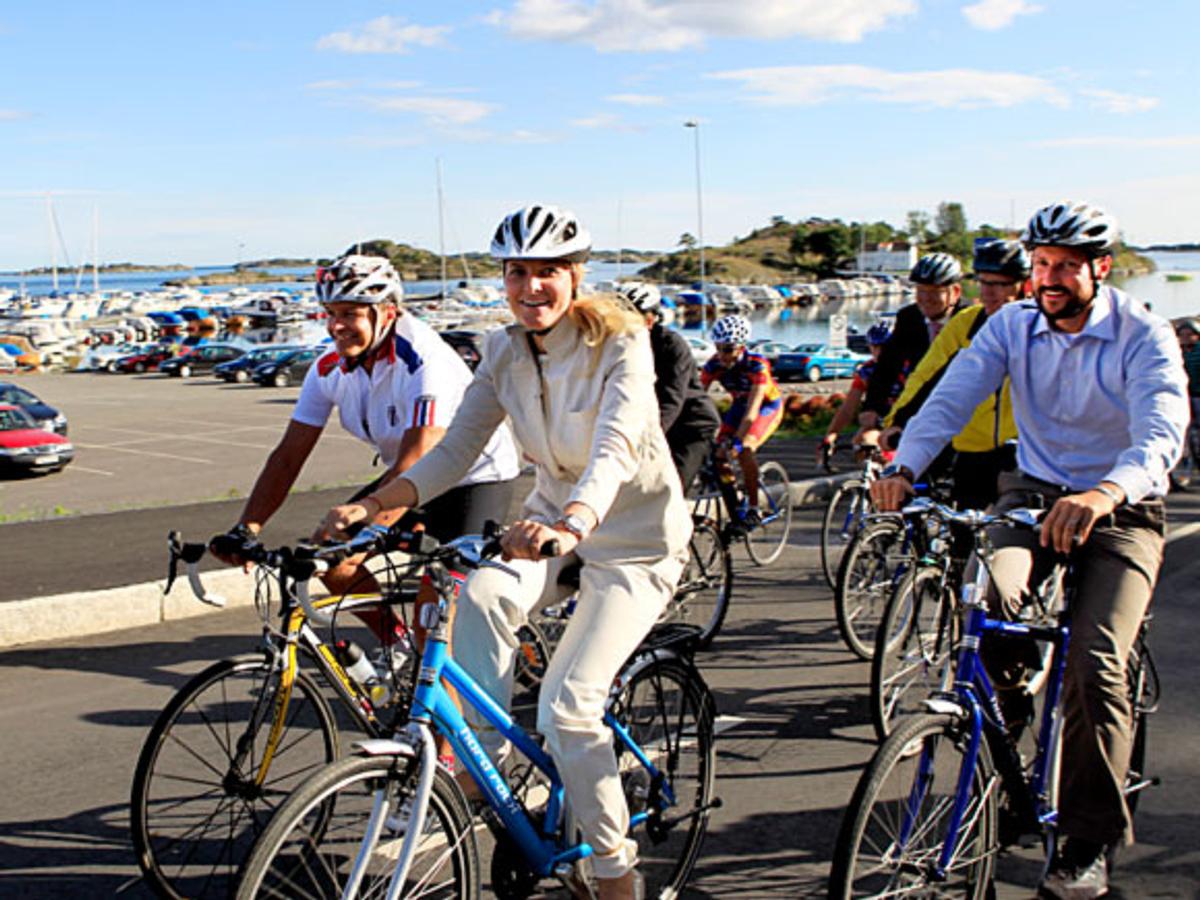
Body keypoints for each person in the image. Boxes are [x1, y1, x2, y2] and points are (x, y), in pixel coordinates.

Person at [320, 204, 690, 900]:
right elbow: (456, 449)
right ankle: (483, 763)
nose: (530, 286)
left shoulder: (621, 343)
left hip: (633, 541)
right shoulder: (502, 351)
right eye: (517, 272)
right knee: (482, 592)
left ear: (575, 276)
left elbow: (615, 447)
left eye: (547, 271)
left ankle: (616, 871)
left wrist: (576, 520)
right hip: (550, 526)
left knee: (568, 709)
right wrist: (373, 506)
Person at [870, 201, 1188, 899]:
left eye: (1067, 266)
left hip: (1121, 506)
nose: (1050, 278)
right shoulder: (1012, 325)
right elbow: (951, 400)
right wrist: (903, 467)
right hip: (1033, 495)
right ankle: (1006, 725)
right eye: (1041, 264)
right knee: (988, 603)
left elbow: (1162, 430)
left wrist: (1105, 492)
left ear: (1101, 269)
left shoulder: (1142, 332)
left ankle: (1087, 841)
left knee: (1094, 665)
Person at [211, 253, 521, 624]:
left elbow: (419, 457)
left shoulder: (425, 361)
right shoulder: (329, 367)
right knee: (329, 562)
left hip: (474, 479)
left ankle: (439, 651)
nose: (336, 326)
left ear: (387, 313)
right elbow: (288, 456)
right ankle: (395, 645)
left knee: (433, 616)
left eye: (350, 314)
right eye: (330, 313)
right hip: (407, 479)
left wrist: (371, 527)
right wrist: (247, 528)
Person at [878, 238, 1029, 511]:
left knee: (1013, 526)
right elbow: (929, 377)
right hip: (972, 451)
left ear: (1025, 286)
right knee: (960, 529)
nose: (988, 292)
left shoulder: (1042, 329)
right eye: (983, 283)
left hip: (1023, 454)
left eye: (999, 284)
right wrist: (898, 421)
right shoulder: (967, 323)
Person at [618, 281, 720, 491]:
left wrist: (650, 437)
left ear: (650, 320)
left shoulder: (671, 345)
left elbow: (672, 398)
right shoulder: (621, 346)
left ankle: (744, 507)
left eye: (631, 319)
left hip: (692, 424)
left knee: (672, 489)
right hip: (659, 424)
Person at [859, 252, 967, 438]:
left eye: (934, 292)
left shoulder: (971, 320)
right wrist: (872, 407)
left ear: (955, 292)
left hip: (962, 408)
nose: (925, 298)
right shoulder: (909, 318)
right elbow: (887, 366)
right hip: (919, 409)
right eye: (920, 291)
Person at [700, 314, 784, 528]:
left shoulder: (757, 365)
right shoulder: (714, 365)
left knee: (745, 448)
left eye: (727, 349)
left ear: (740, 347)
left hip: (766, 407)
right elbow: (696, 396)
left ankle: (755, 508)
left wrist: (737, 441)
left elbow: (753, 410)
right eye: (718, 348)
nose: (721, 355)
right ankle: (736, 508)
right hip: (739, 406)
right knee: (719, 456)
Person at [815, 321, 894, 462]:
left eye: (885, 347)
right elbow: (848, 409)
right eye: (875, 346)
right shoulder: (867, 371)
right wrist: (831, 435)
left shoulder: (909, 368)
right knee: (861, 443)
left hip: (906, 422)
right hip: (879, 421)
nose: (879, 352)